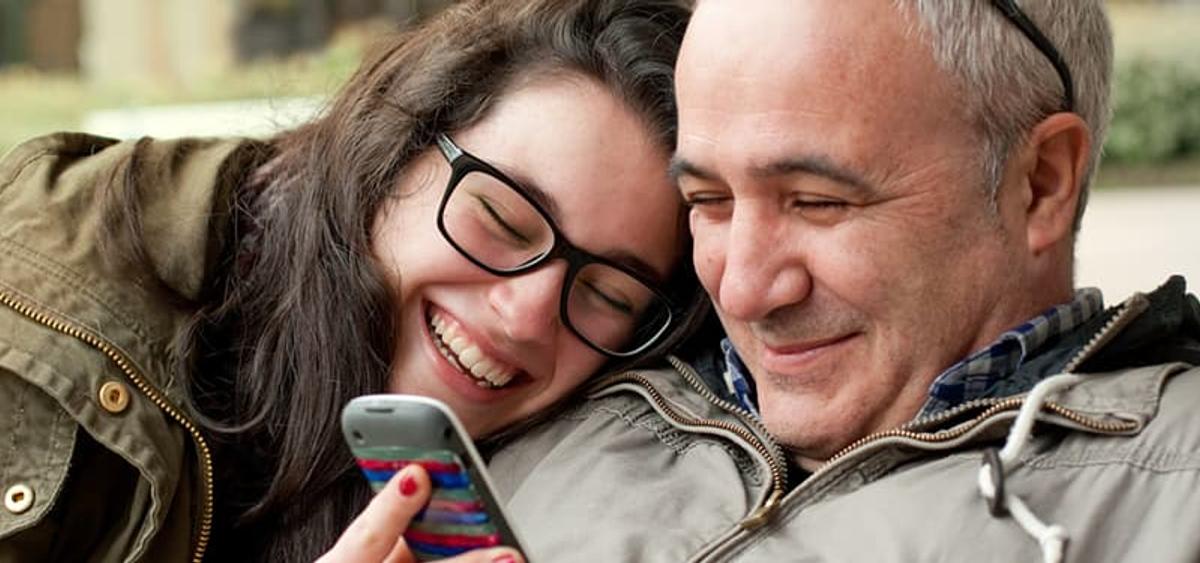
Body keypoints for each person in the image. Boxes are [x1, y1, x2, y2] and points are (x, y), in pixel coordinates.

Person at [486, 1, 1200, 561]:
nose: (741, 291)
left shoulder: (1175, 495)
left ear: (1040, 184)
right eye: (708, 201)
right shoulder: (562, 402)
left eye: (817, 201)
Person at [0, 0, 704, 561]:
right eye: (502, 218)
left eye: (610, 293)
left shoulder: (585, 468)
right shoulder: (40, 307)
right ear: (395, 146)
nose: (525, 315)